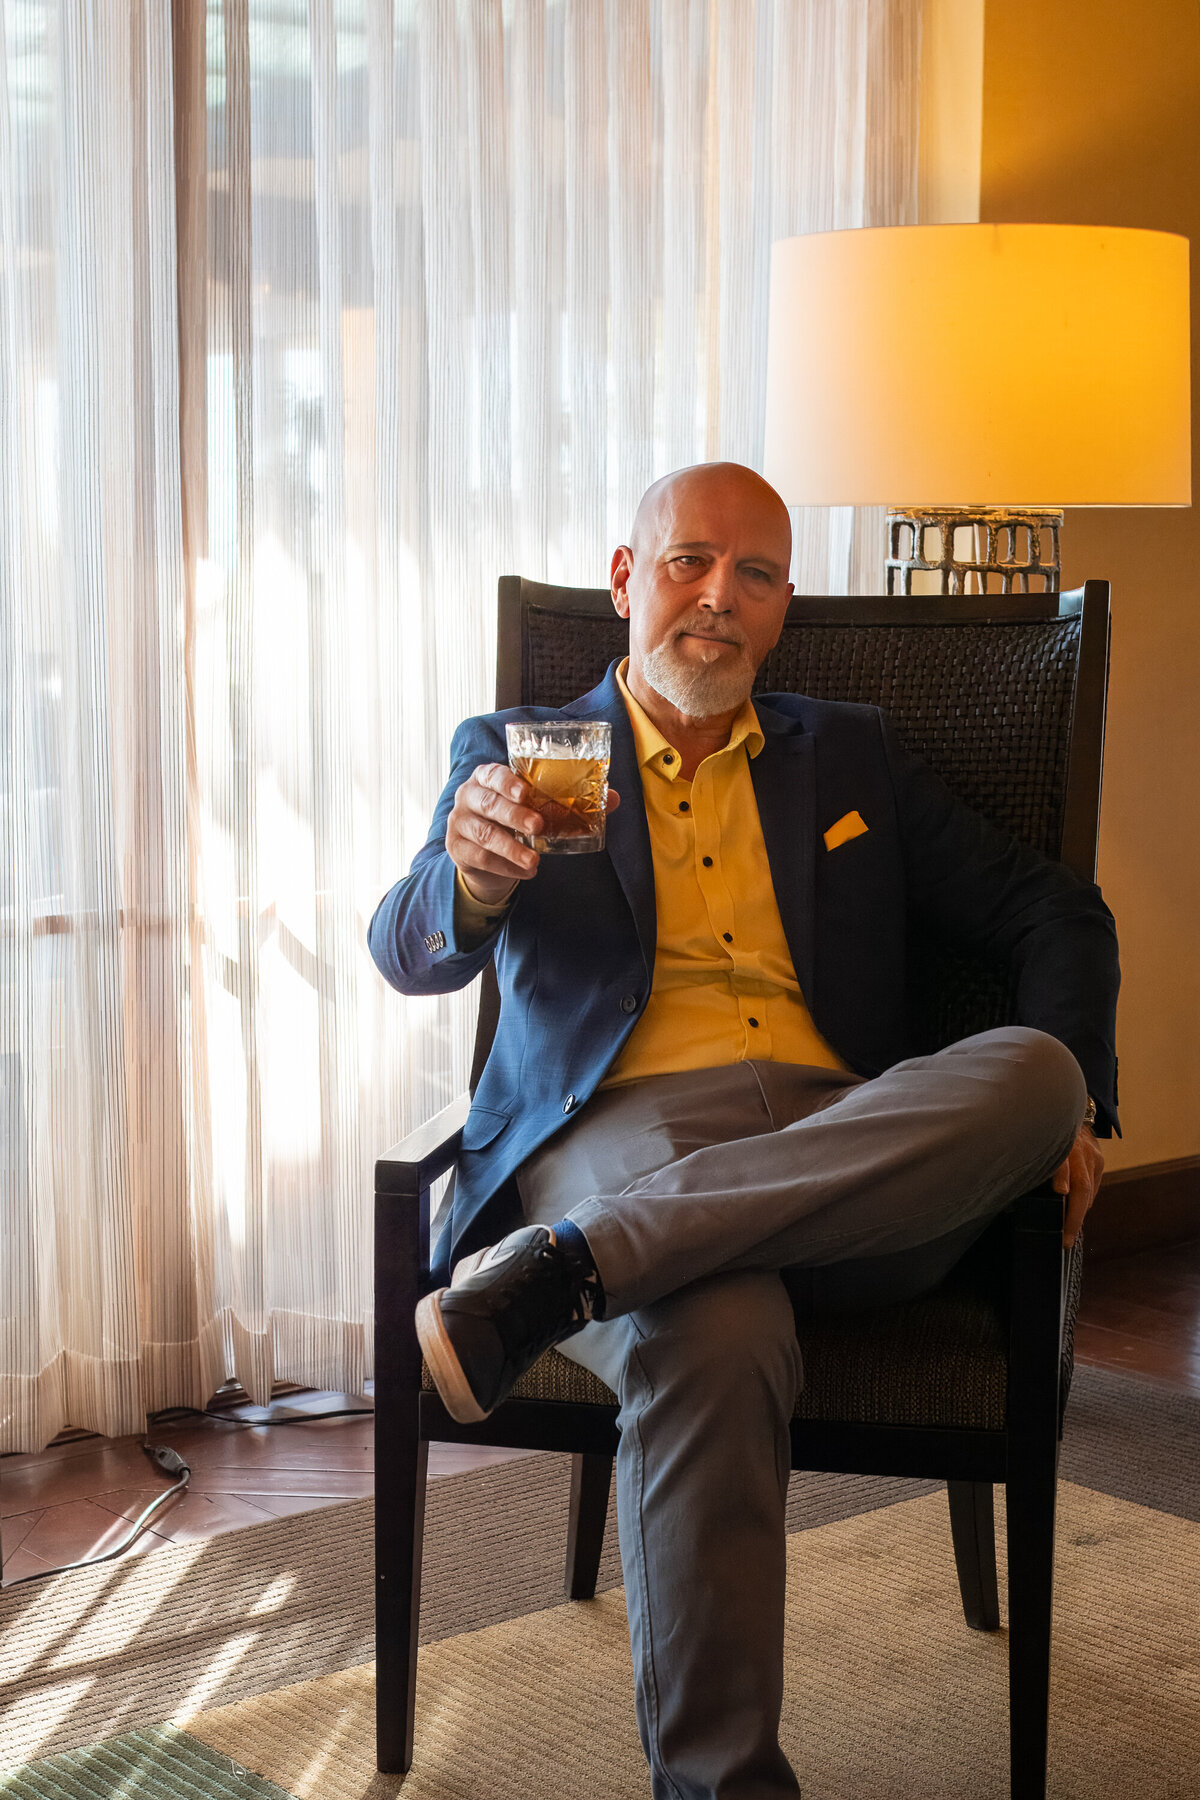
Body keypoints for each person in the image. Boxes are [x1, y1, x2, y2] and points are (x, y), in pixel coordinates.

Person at [368, 461, 1119, 1800]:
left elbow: (1053, 911)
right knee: (711, 1330)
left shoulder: (854, 756)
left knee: (1040, 1075)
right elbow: (407, 949)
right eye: (689, 562)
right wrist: (467, 885)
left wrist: (1078, 1109)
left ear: (785, 607)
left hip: (851, 1149)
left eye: (757, 574)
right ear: (624, 578)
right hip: (620, 1132)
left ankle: (574, 1268)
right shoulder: (527, 753)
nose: (720, 598)